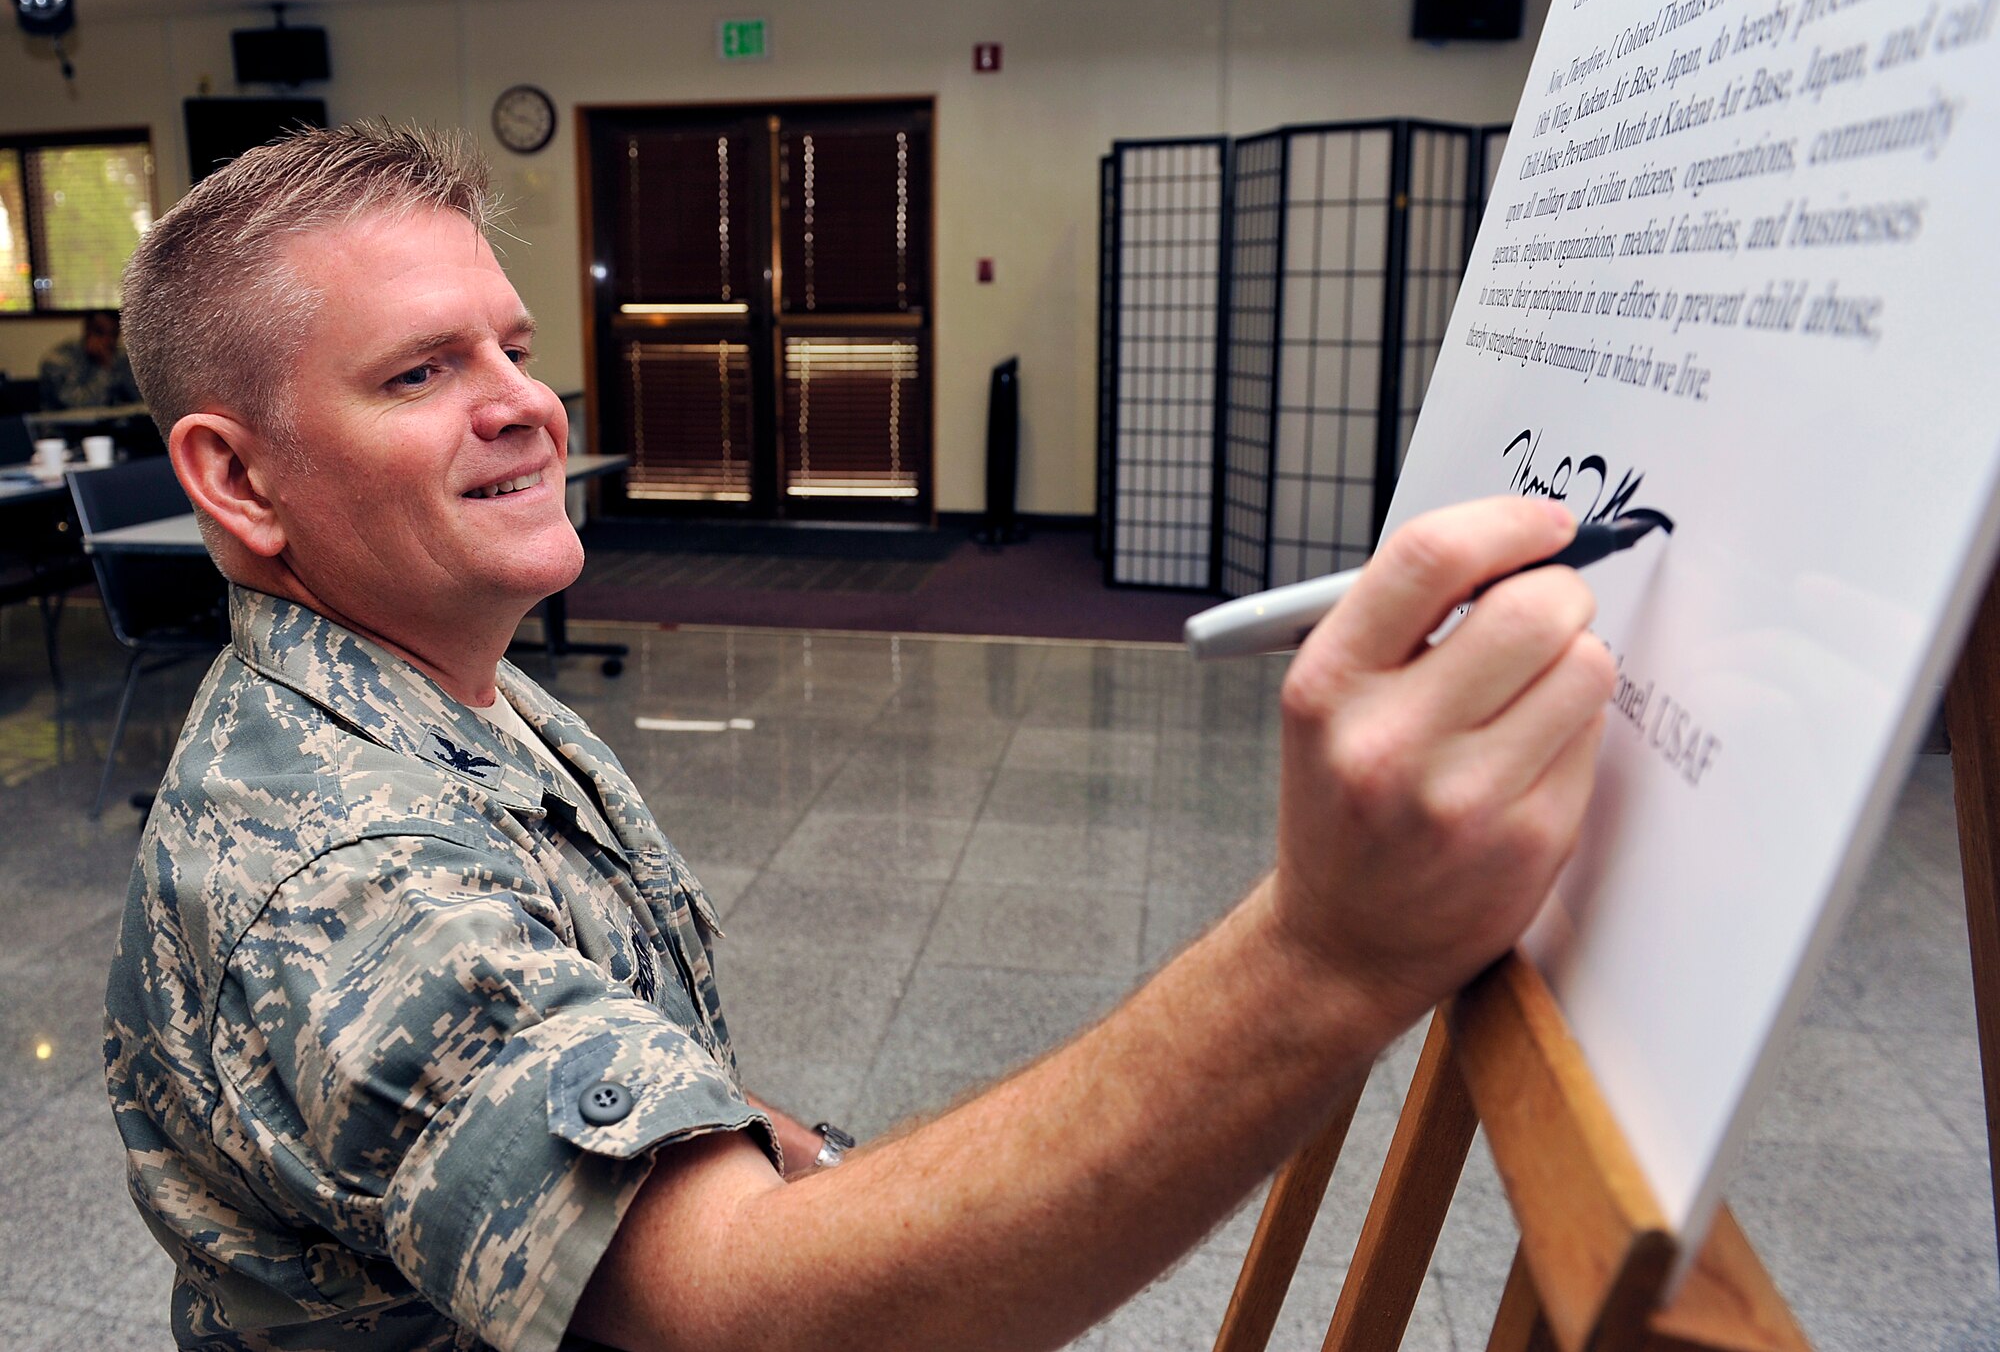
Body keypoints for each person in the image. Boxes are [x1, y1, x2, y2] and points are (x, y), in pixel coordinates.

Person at [105, 122, 1614, 1352]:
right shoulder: (343, 873)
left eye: (513, 346)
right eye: (421, 372)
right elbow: (735, 1309)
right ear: (238, 480)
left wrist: (817, 1159)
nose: (529, 407)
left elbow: (622, 1061)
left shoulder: (437, 669)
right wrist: (1329, 956)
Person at [38, 306, 140, 410]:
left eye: (113, 334)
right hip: (64, 424)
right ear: (87, 332)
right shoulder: (58, 361)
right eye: (100, 333)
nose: (108, 341)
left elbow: (139, 399)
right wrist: (104, 367)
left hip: (113, 423)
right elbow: (76, 406)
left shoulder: (119, 356)